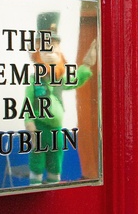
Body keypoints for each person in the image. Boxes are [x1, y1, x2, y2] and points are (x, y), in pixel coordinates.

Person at [24, 12, 96, 184]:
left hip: (56, 131)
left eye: (54, 47)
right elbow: (27, 105)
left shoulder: (60, 79)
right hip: (39, 129)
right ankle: (35, 185)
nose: (50, 52)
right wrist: (30, 123)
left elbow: (75, 80)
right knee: (37, 159)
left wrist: (87, 65)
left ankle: (54, 183)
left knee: (56, 160)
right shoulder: (34, 81)